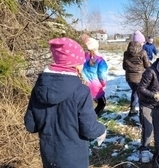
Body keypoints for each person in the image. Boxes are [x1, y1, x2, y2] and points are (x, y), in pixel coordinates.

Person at [24, 37, 106, 168]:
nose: (82, 64)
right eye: (80, 61)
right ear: (73, 64)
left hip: (49, 157)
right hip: (74, 158)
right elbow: (89, 129)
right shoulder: (81, 91)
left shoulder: (38, 89)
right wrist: (101, 130)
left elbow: (31, 125)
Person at [123, 30, 151, 117]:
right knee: (140, 94)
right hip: (139, 78)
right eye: (142, 42)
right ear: (140, 42)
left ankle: (132, 110)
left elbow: (124, 67)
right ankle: (143, 113)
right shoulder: (143, 52)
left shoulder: (126, 53)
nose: (143, 43)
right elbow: (147, 66)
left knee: (135, 92)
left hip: (129, 78)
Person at [81, 37, 108, 116]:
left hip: (83, 85)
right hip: (95, 87)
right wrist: (103, 84)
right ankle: (93, 117)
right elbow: (102, 75)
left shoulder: (80, 58)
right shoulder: (100, 60)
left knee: (86, 105)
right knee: (102, 103)